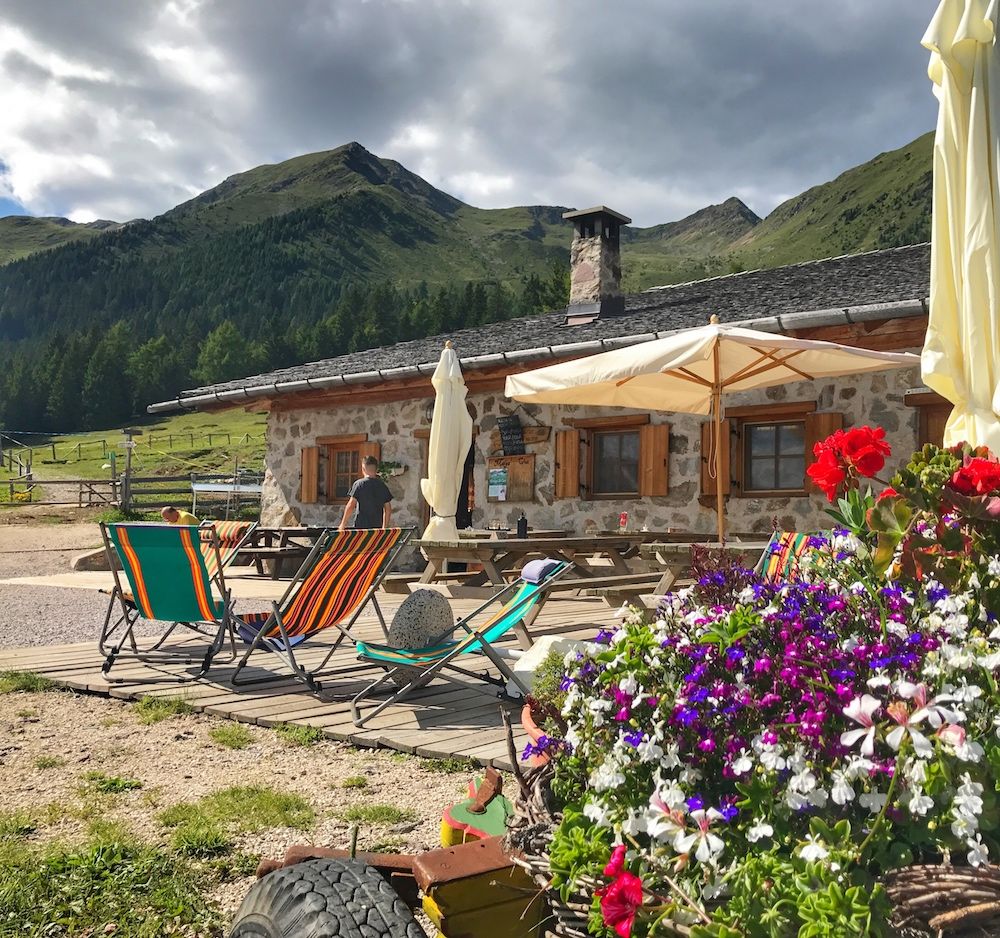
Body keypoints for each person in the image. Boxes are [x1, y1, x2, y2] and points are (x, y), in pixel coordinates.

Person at [338, 455, 392, 530]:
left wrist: (342, 525)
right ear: (376, 469)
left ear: (363, 468)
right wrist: (384, 527)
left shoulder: (359, 484)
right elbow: (388, 508)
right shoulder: (382, 486)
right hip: (377, 528)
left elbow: (351, 505)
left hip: (361, 527)